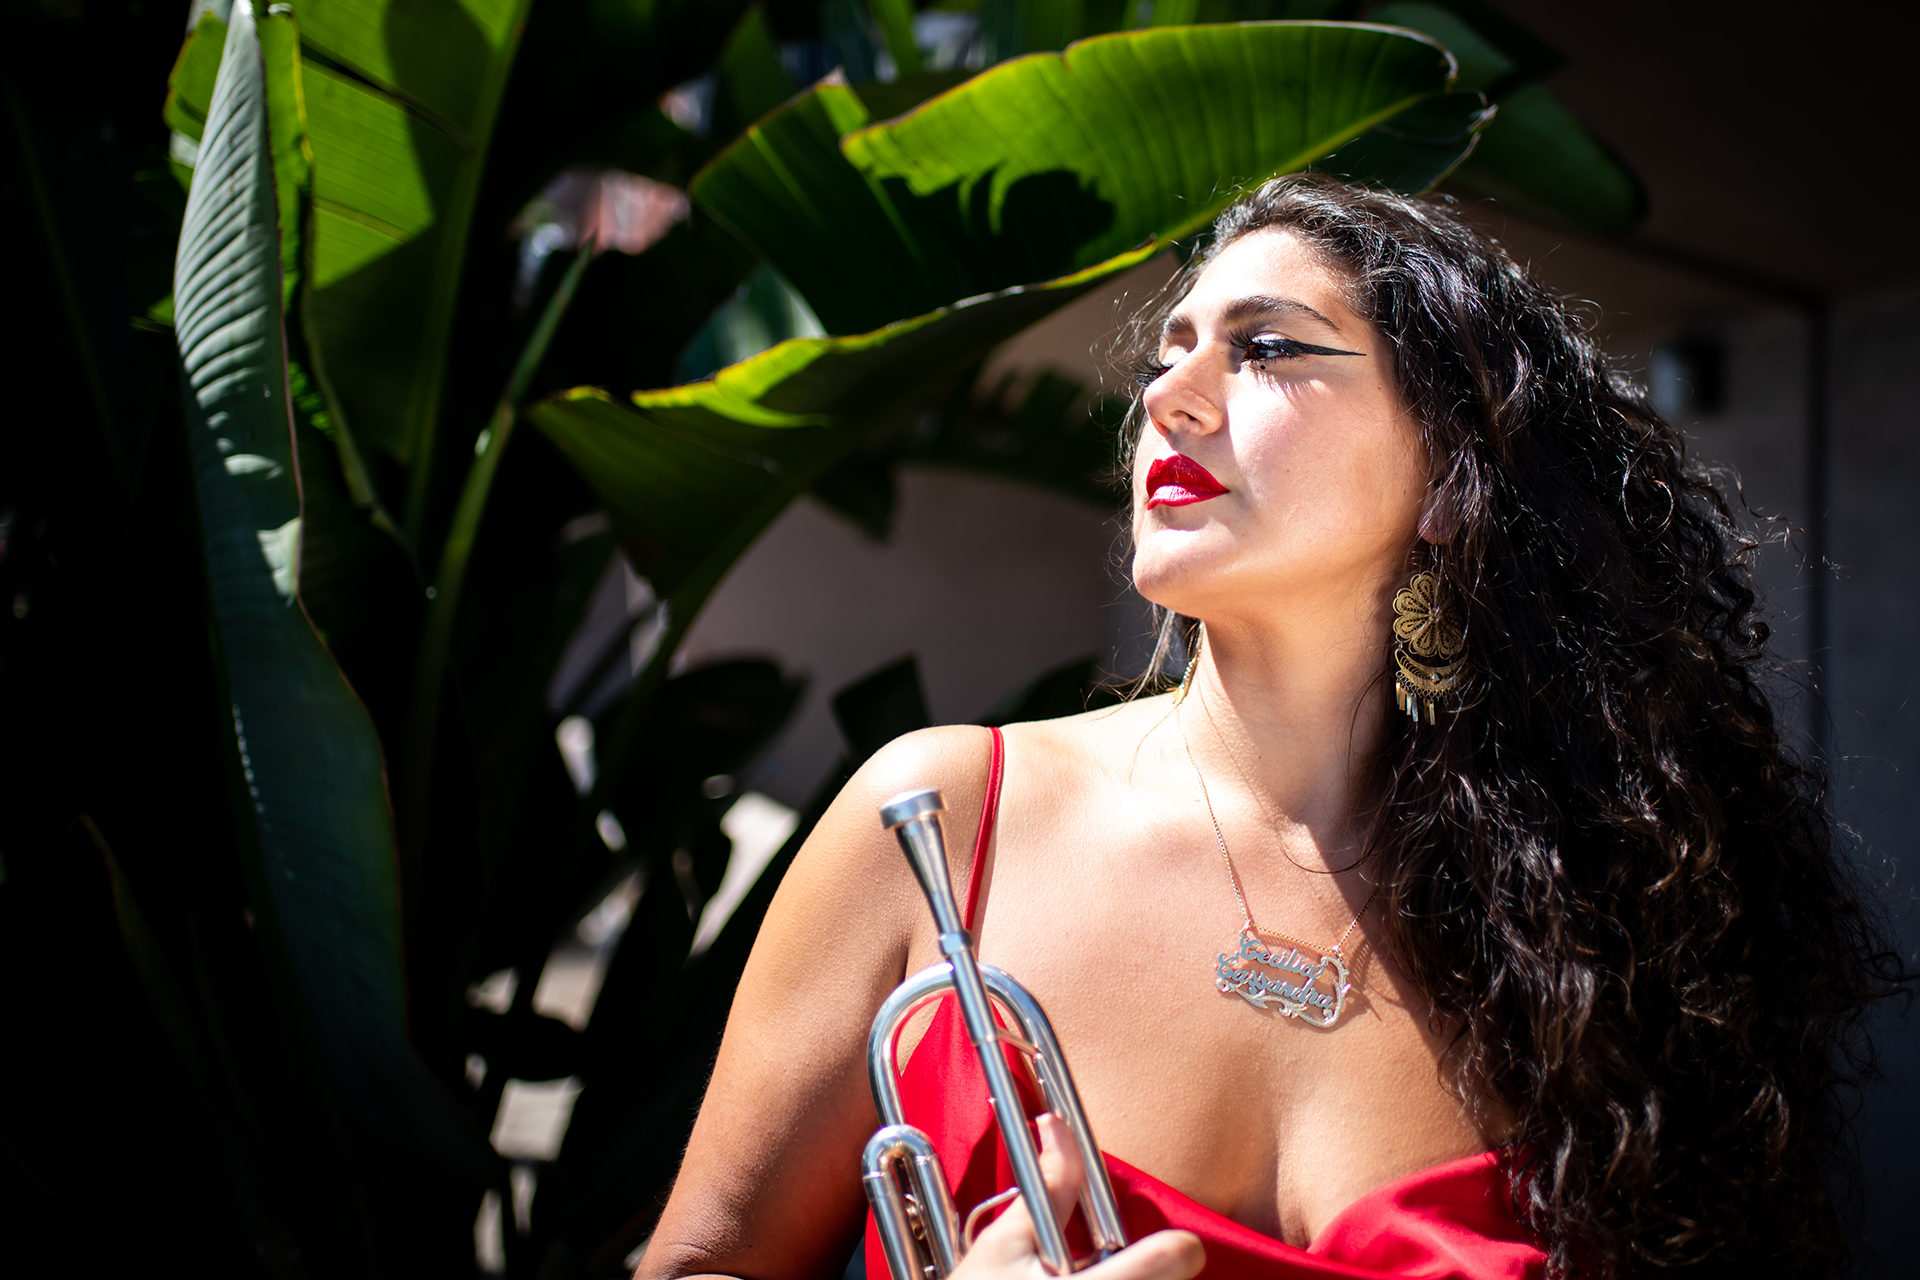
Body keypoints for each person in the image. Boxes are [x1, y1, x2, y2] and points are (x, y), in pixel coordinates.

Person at [635, 177, 1898, 1280]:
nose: (1170, 399)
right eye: (1164, 356)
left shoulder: (1596, 915)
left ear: (1453, 479)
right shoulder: (942, 815)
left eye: (1269, 348)